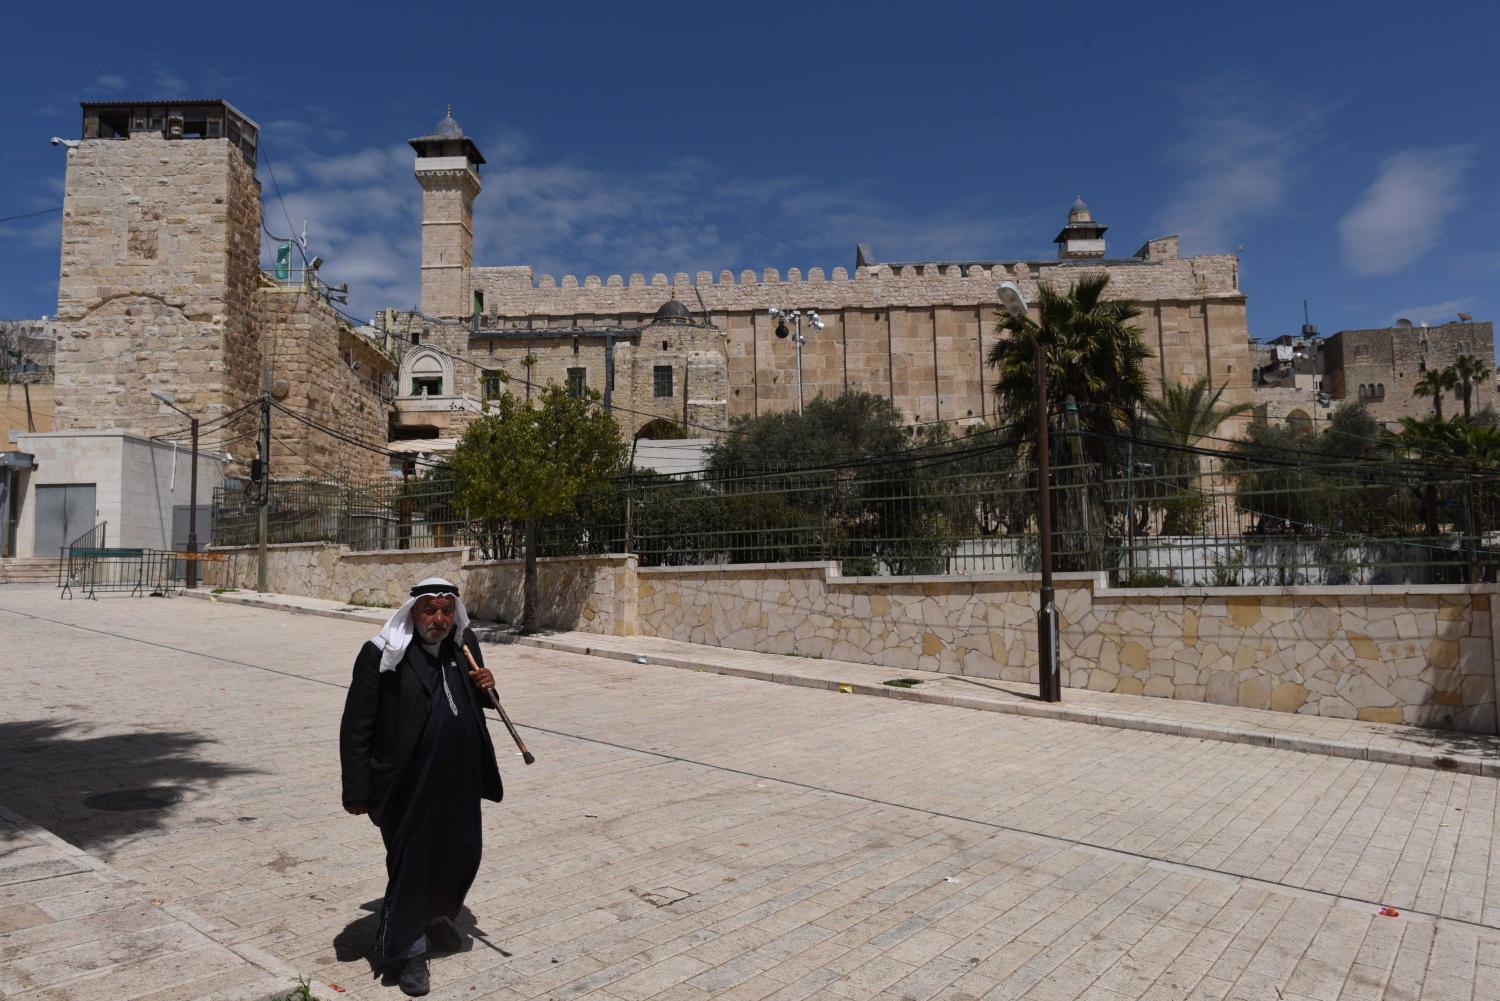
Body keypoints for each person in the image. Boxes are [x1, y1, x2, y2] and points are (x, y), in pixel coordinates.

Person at [339, 578, 503, 997]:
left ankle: (434, 920)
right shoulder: (382, 654)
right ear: (412, 612)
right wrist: (356, 790)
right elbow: (357, 725)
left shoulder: (463, 647)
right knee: (413, 864)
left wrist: (486, 686)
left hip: (459, 781)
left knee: (460, 853)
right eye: (430, 610)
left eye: (447, 611)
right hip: (409, 784)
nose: (439, 619)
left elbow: (474, 697)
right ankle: (408, 951)